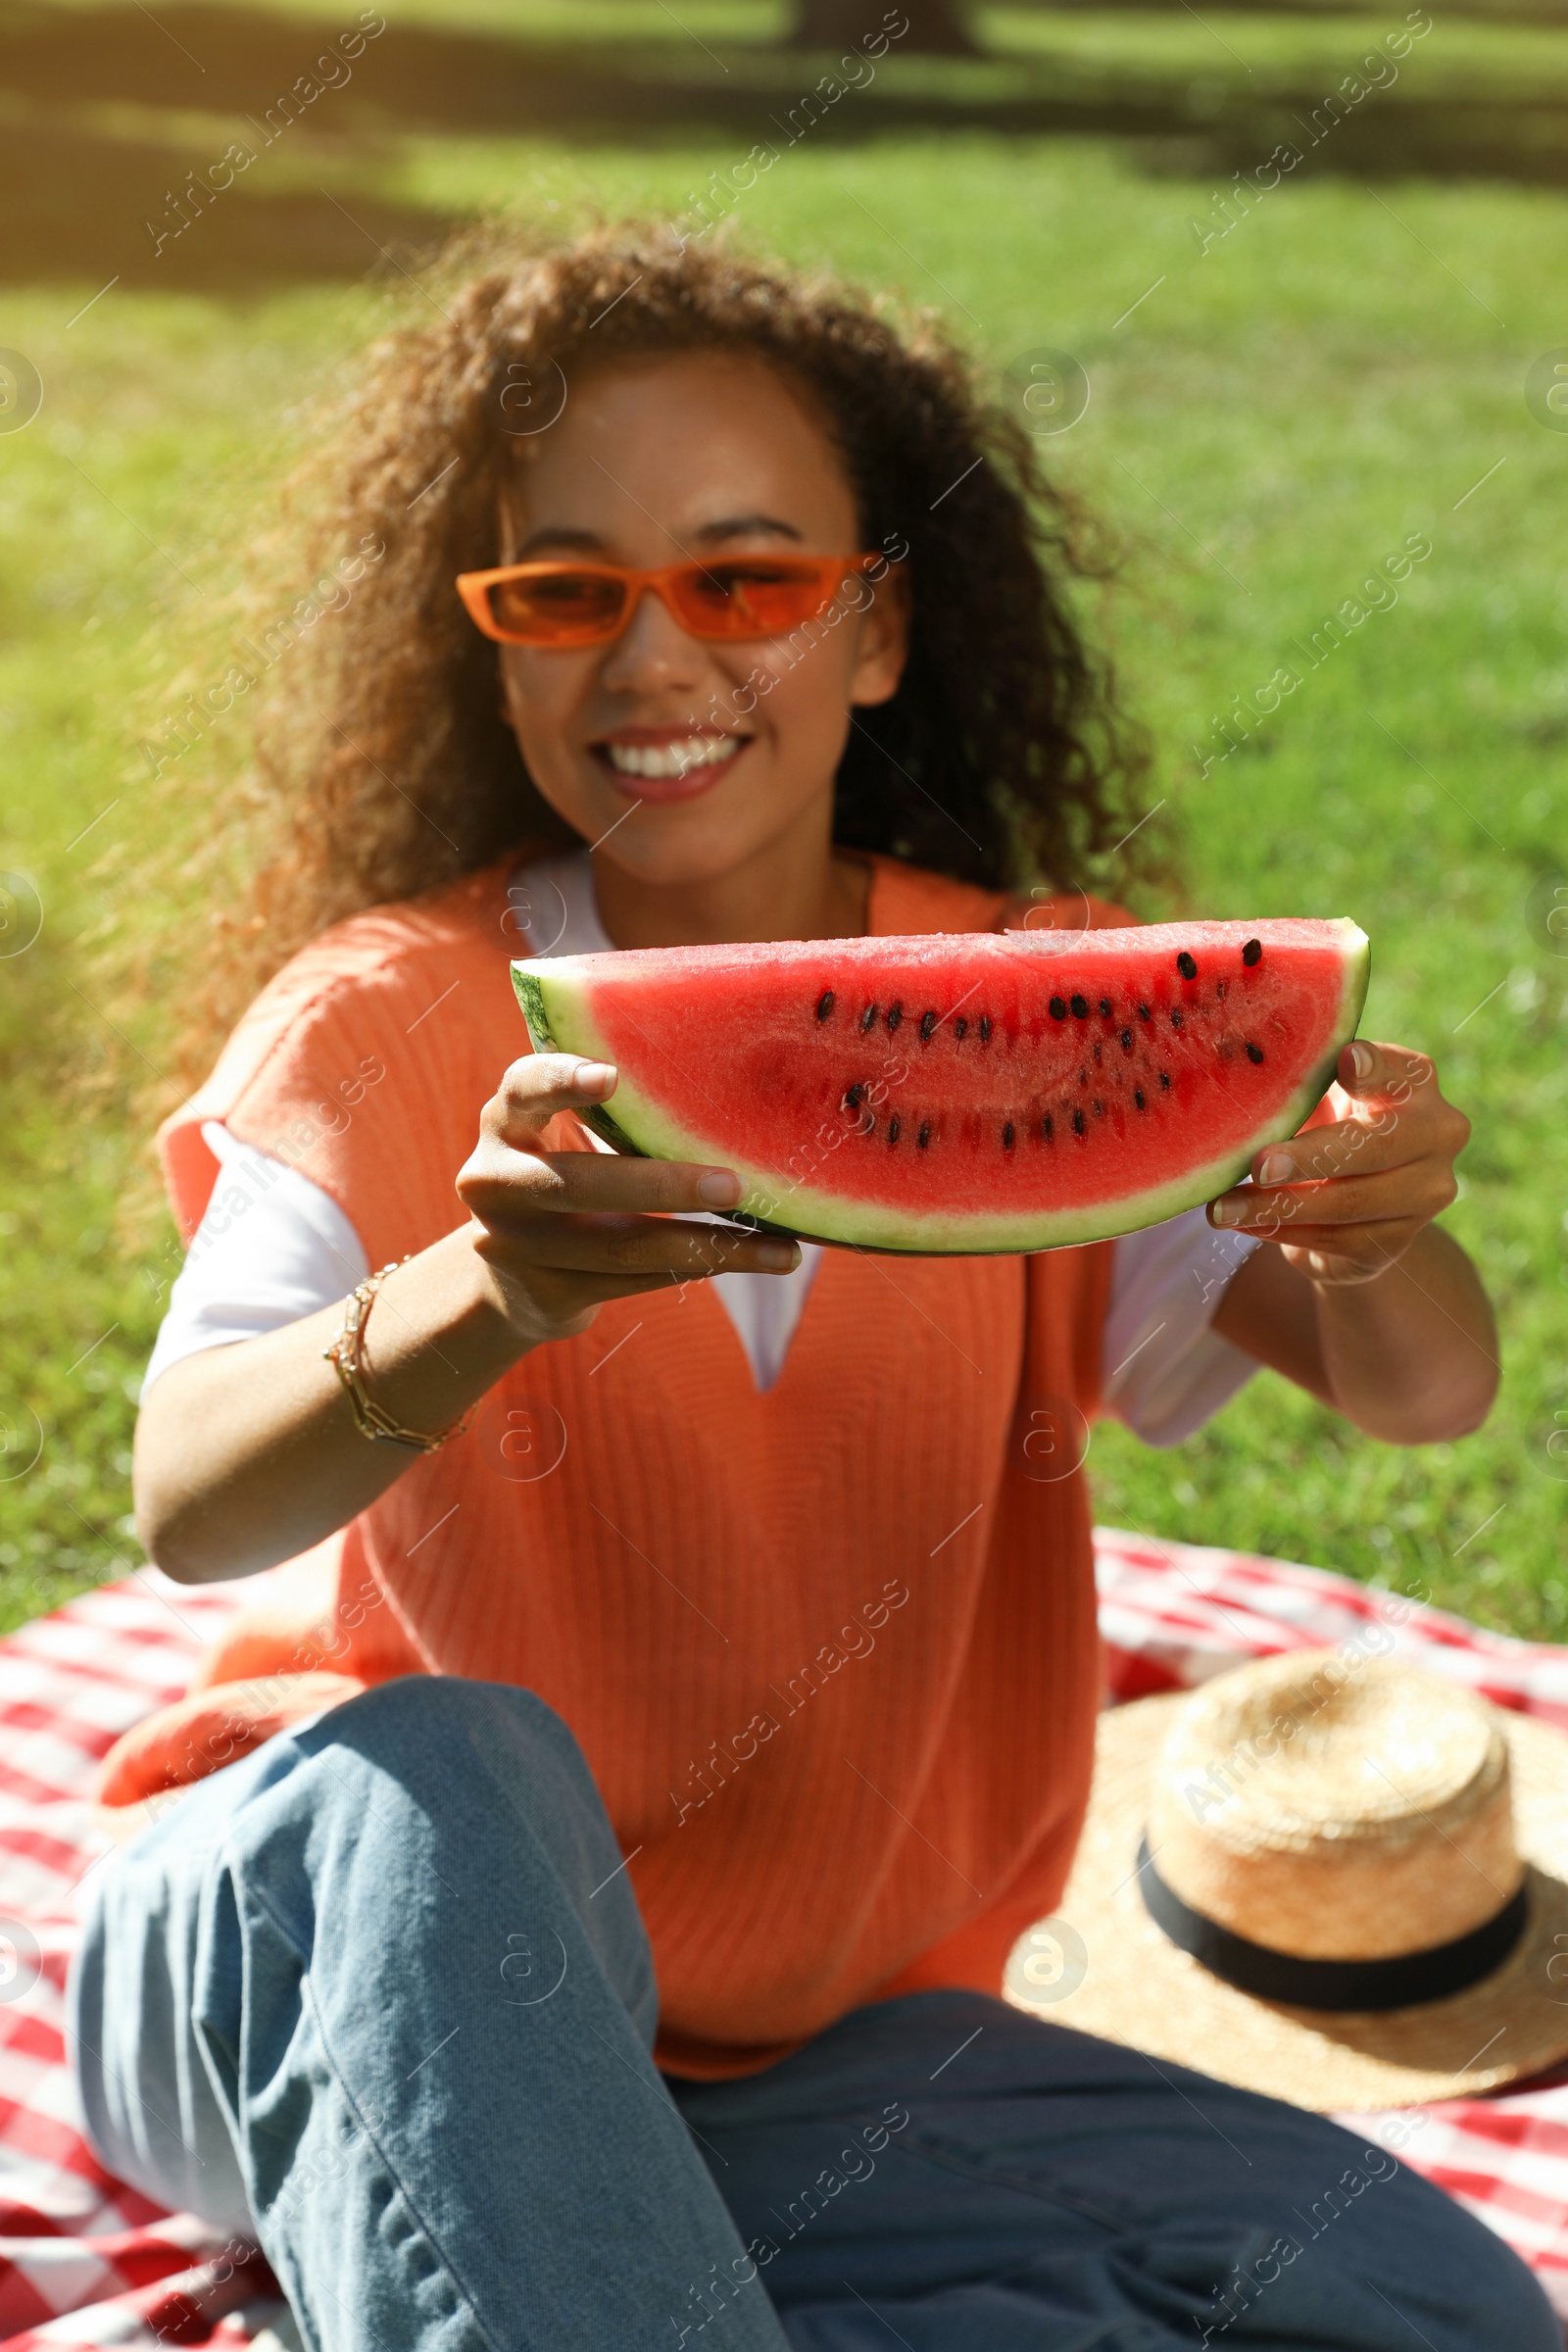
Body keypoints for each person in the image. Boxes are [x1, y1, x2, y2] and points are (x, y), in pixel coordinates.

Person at [71, 227, 1543, 2352]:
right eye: (565, 592)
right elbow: (191, 1499)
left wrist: (1371, 1224)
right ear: (492, 654)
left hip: (811, 2064)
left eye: (744, 581)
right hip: (310, 1934)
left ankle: (509, 2271)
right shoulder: (382, 1019)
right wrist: (484, 1288)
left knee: (1429, 2309)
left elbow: (1416, 1394)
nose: (652, 658)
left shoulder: (1040, 1012)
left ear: (876, 631)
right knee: (457, 1767)